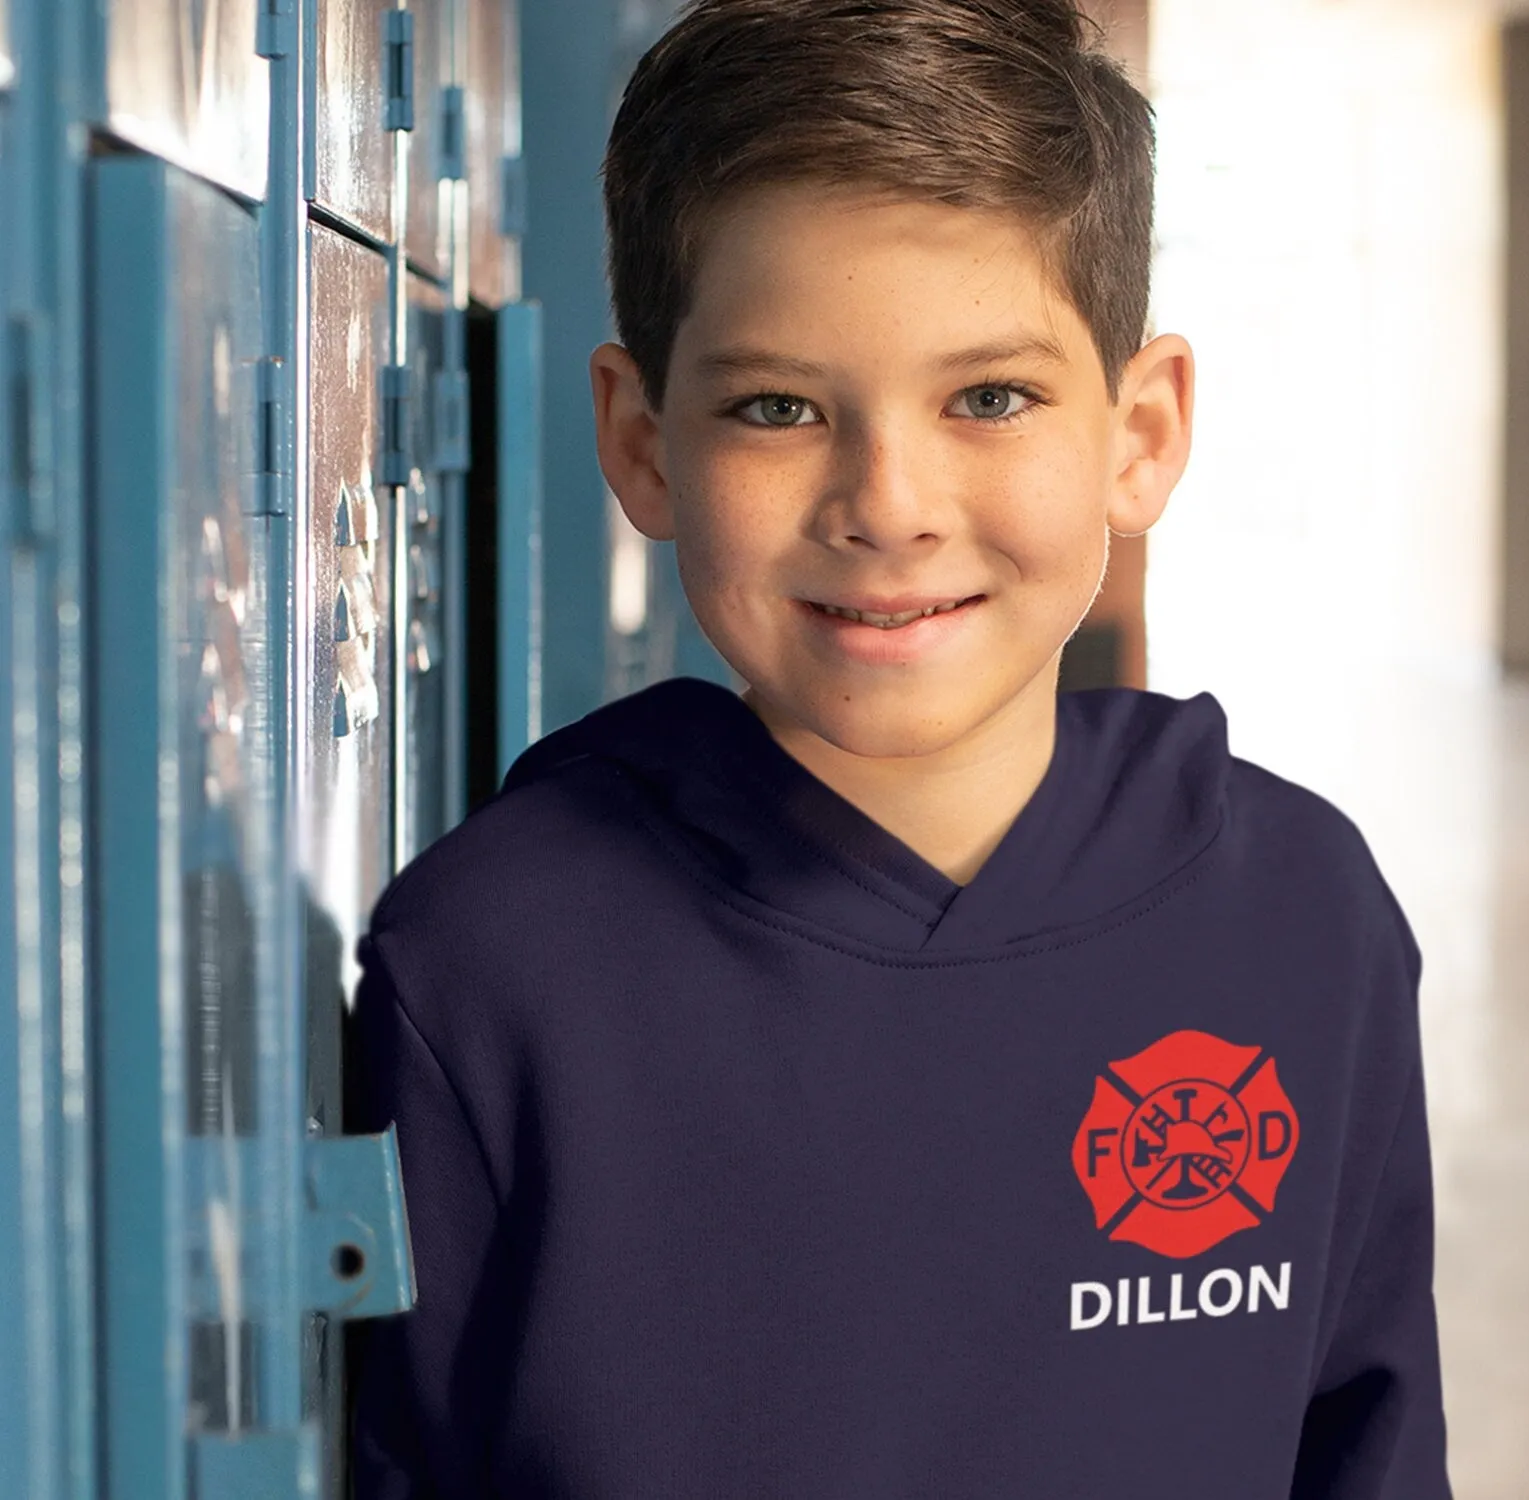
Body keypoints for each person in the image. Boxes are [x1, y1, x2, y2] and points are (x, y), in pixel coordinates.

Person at [347, 1, 1451, 1495]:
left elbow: (1369, 1445)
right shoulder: (491, 963)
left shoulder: (1300, 917)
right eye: (778, 407)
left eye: (989, 397)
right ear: (641, 442)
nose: (890, 502)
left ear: (1140, 433)